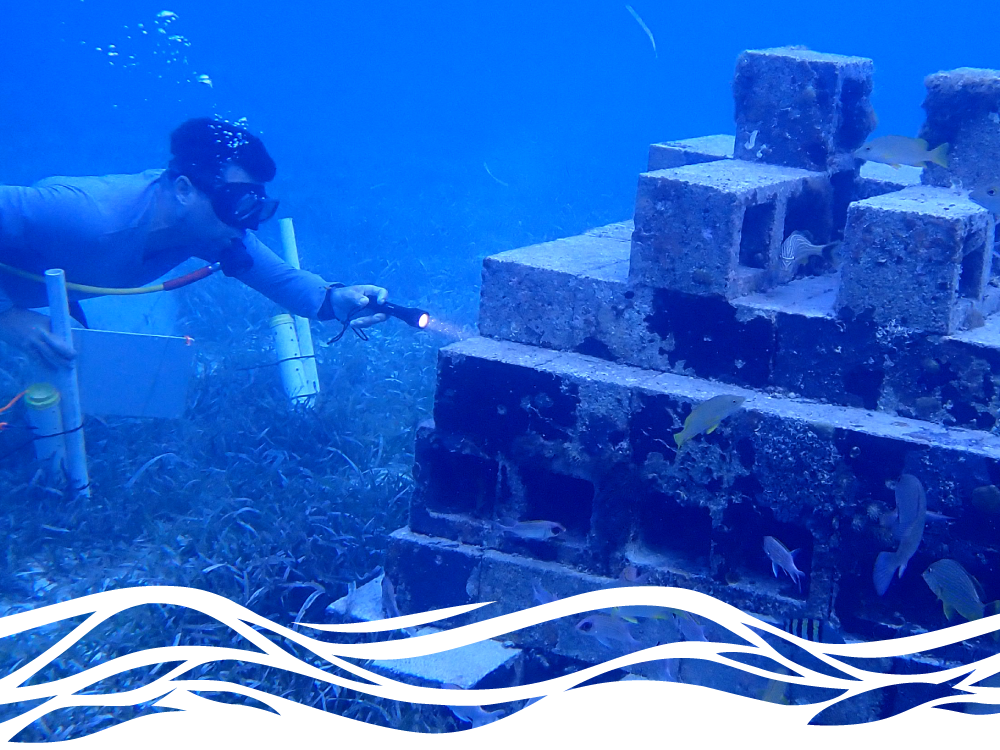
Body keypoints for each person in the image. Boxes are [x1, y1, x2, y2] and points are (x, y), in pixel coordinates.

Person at [0, 117, 389, 369]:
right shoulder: (86, 214)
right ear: (184, 190)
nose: (247, 223)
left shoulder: (208, 228)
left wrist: (335, 300)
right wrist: (8, 318)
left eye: (257, 206)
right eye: (238, 203)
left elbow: (283, 281)